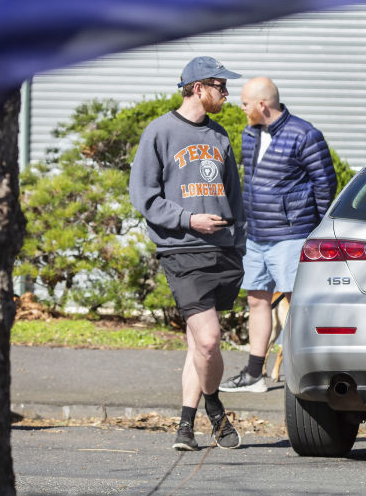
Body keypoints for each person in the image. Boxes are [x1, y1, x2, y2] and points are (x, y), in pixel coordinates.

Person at [128, 56, 246, 451]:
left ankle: (184, 426)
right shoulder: (160, 133)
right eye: (220, 86)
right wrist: (187, 220)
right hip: (182, 250)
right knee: (210, 340)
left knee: (199, 344)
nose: (227, 94)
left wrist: (239, 243)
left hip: (223, 252)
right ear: (199, 88)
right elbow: (143, 196)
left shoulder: (220, 136)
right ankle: (215, 409)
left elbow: (235, 197)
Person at [219, 77, 338, 394]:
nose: (241, 108)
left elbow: (326, 185)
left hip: (291, 235)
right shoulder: (250, 134)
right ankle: (254, 374)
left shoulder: (305, 135)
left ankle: (305, 376)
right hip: (256, 235)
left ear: (262, 105)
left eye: (245, 103)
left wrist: (315, 232)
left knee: (297, 305)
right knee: (257, 301)